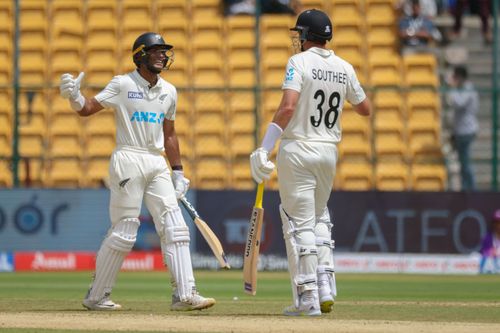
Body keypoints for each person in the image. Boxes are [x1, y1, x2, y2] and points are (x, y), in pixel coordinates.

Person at [59, 32, 215, 311]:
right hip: (128, 156)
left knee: (176, 227)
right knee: (125, 231)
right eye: (156, 51)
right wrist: (74, 98)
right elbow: (87, 109)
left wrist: (178, 171)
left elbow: (170, 134)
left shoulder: (170, 91)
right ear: (140, 55)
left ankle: (185, 295)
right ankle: (97, 296)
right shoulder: (122, 84)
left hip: (157, 162)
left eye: (164, 51)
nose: (162, 55)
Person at [249, 9, 371, 316]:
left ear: (305, 35)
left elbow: (288, 107)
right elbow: (365, 108)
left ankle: (308, 298)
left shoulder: (298, 62)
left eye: (298, 34)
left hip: (298, 149)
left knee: (296, 222)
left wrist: (264, 149)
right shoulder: (344, 67)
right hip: (328, 152)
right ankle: (326, 286)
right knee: (317, 219)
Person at [446, 65, 479, 191]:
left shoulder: (468, 90)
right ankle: (466, 188)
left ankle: (471, 189)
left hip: (466, 131)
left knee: (465, 162)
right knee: (462, 162)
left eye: (454, 77)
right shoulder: (463, 89)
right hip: (460, 130)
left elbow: (458, 103)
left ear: (459, 77)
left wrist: (451, 88)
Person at [479, 209, 500, 274]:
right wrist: (490, 252)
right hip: (492, 268)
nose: (498, 225)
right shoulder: (487, 238)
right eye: (497, 222)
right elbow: (484, 254)